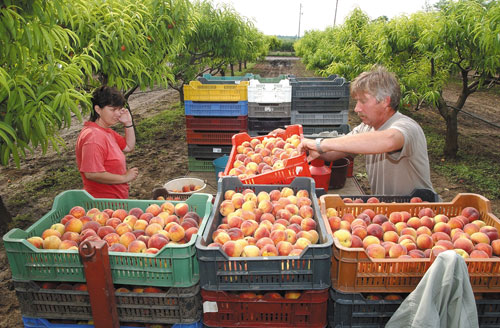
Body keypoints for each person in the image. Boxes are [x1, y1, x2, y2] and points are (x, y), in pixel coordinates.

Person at [295, 66, 434, 195]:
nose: (357, 109)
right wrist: (305, 146)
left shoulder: (407, 127)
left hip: (418, 212)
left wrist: (321, 144)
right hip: (386, 213)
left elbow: (389, 140)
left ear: (385, 101)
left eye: (363, 101)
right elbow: (332, 152)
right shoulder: (366, 128)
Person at [76, 86, 139, 199]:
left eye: (119, 109)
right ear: (98, 109)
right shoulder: (93, 137)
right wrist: (124, 178)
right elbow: (92, 173)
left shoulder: (106, 131)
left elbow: (129, 147)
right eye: (112, 109)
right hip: (103, 204)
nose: (118, 114)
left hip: (115, 201)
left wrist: (128, 123)